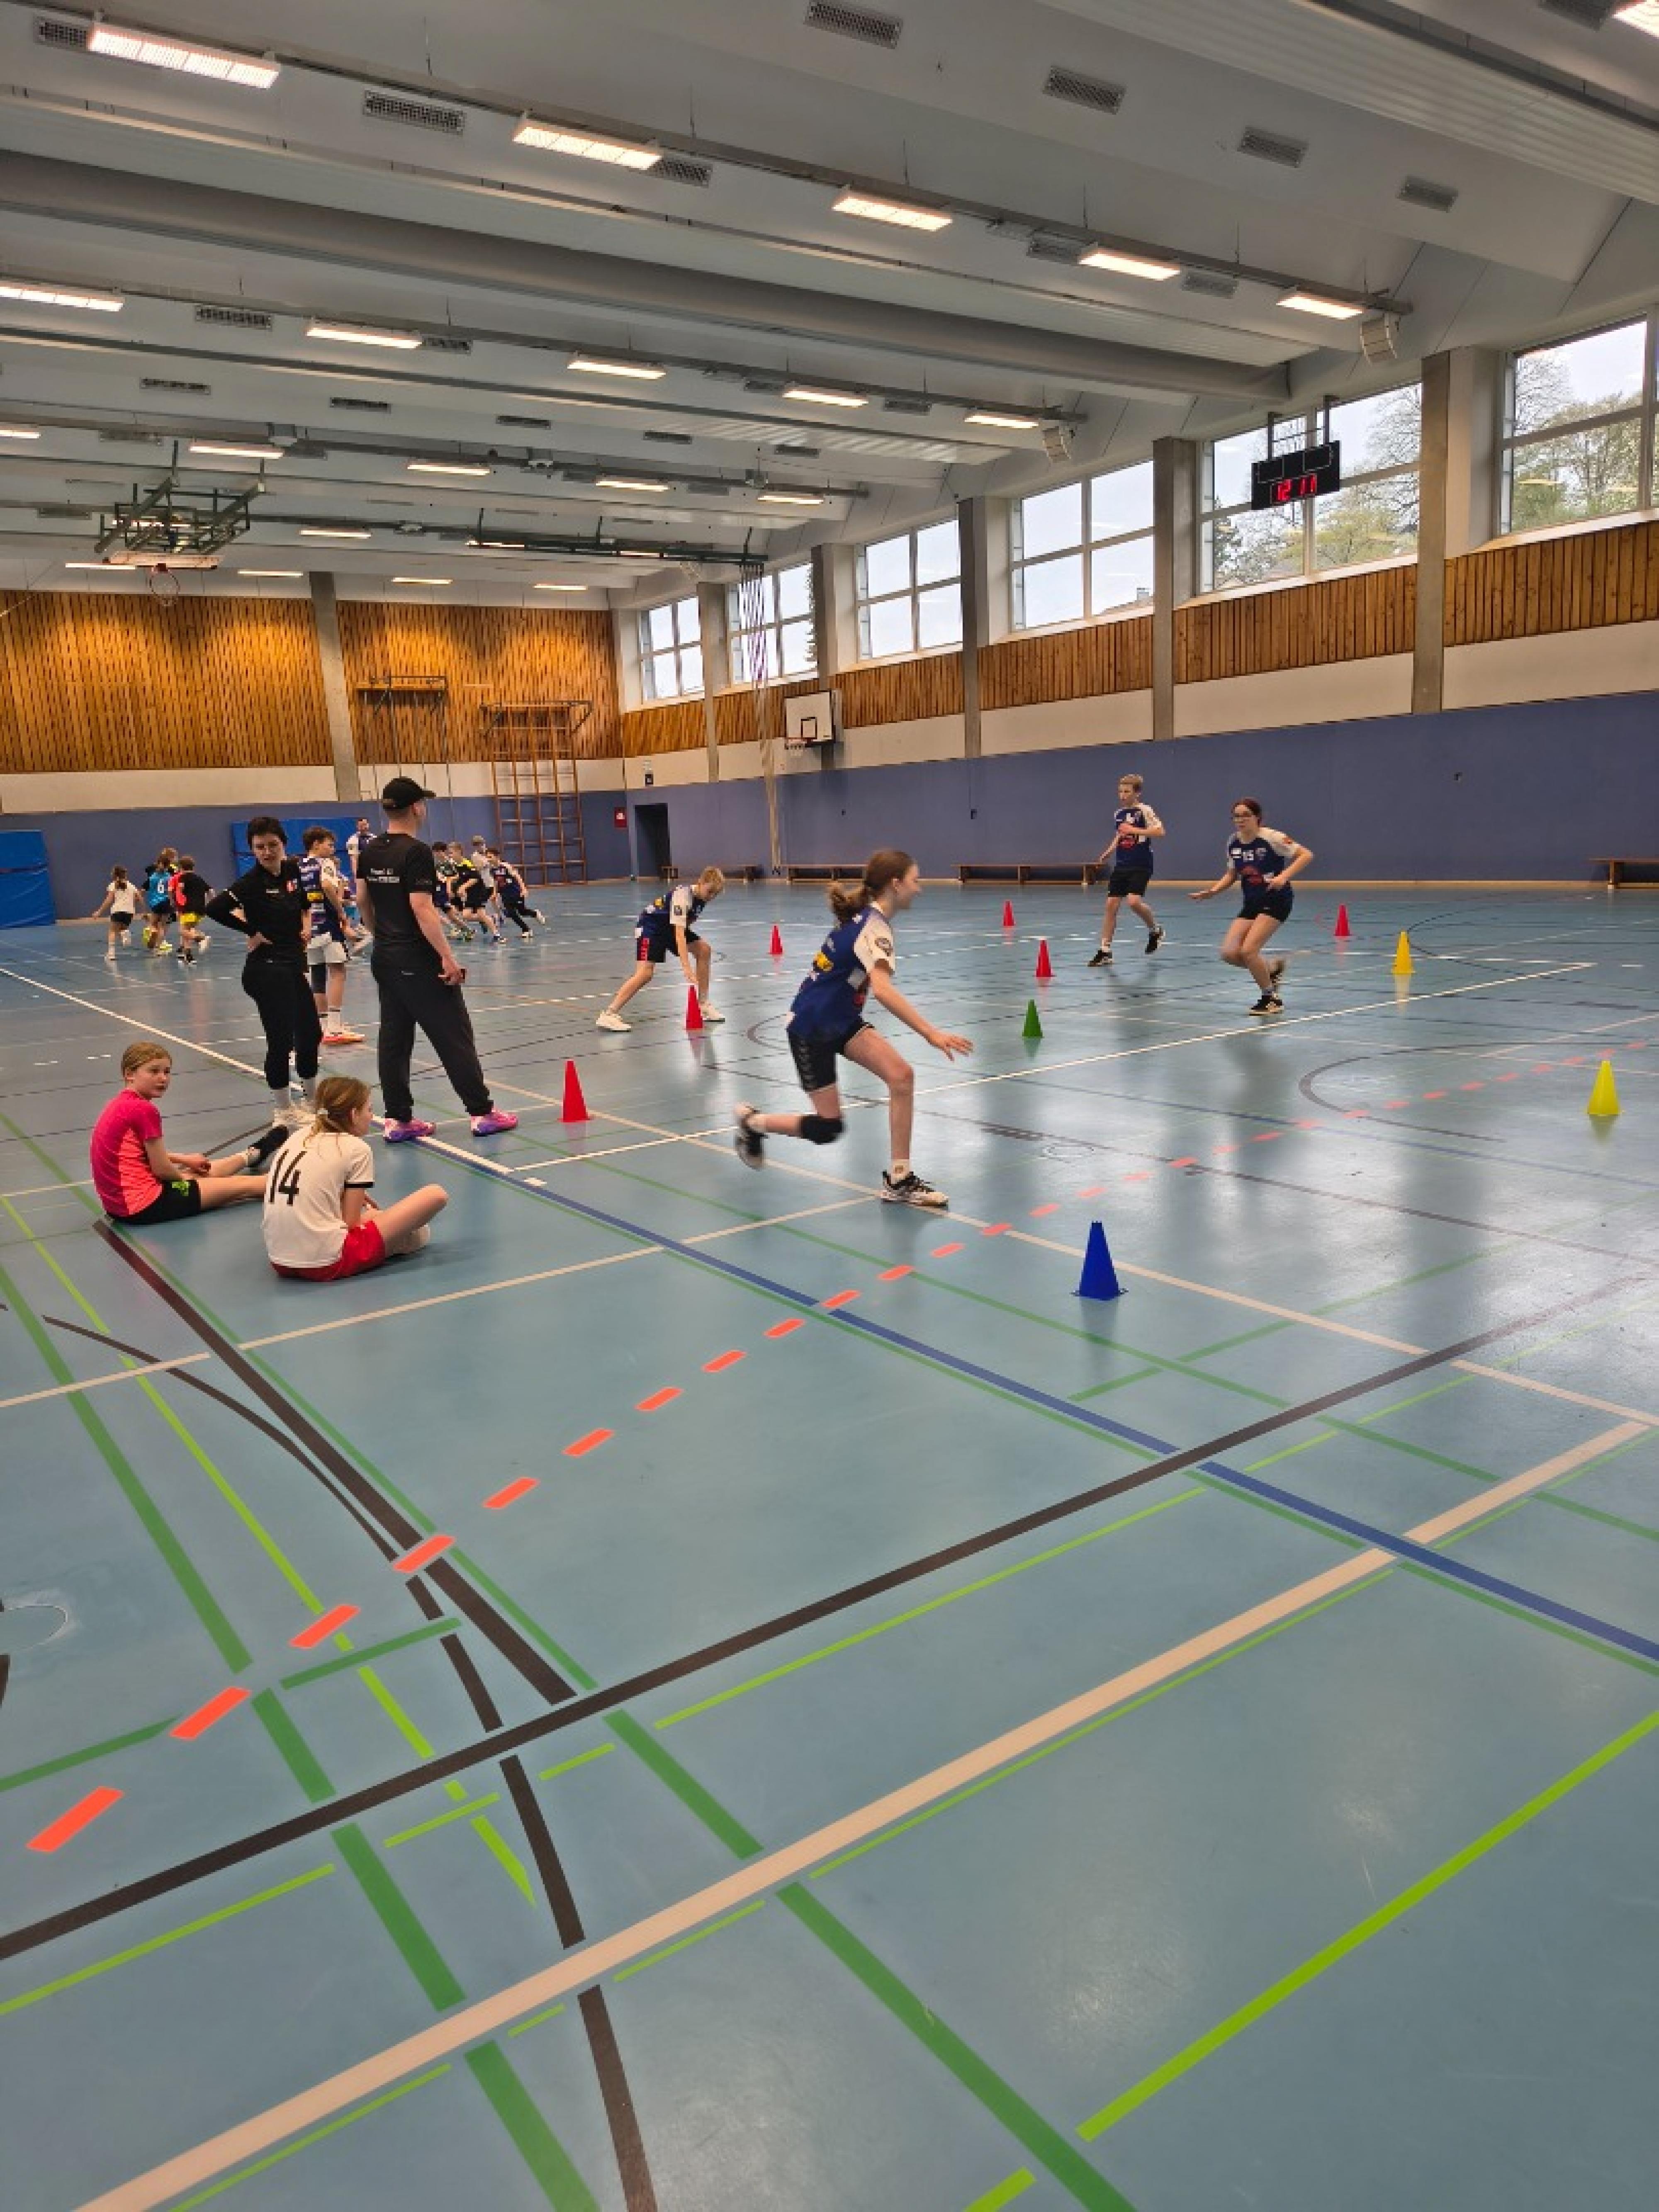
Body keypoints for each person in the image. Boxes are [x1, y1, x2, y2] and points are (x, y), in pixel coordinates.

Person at [733, 849, 971, 1208]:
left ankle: (900, 1180)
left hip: (842, 1020)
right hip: (812, 1027)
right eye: (915, 880)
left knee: (902, 1076)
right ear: (895, 884)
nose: (919, 888)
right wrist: (931, 1033)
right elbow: (884, 991)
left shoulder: (867, 919)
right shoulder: (874, 928)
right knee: (829, 1128)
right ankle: (754, 1123)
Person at [355, 776, 519, 1142]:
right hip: (417, 958)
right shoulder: (416, 852)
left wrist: (380, 936)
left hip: (385, 956)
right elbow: (422, 908)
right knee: (453, 1035)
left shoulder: (370, 851)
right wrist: (447, 957)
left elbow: (363, 899)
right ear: (416, 808)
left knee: (394, 1039)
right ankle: (482, 1112)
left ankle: (398, 1119)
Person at [262, 1075, 447, 1281]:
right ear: (354, 1114)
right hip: (327, 1262)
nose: (372, 1116)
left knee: (393, 1226)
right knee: (429, 1210)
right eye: (369, 1110)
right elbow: (352, 1224)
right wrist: (373, 1218)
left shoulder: (298, 1136)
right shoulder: (357, 1149)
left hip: (279, 1259)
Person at [205, 817, 322, 1126]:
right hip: (267, 970)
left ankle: (312, 1100)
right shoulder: (251, 883)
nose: (267, 852)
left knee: (311, 1034)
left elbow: (303, 904)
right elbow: (214, 909)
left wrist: (305, 926)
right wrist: (251, 931)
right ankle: (283, 1109)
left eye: (273, 845)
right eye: (260, 847)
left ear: (284, 844)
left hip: (292, 965)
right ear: (252, 850)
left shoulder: (293, 871)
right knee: (281, 1041)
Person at [90, 1039, 284, 1224]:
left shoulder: (118, 1104)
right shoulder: (143, 1110)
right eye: (154, 1071)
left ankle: (251, 1155)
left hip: (117, 1206)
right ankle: (295, 1179)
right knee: (244, 1185)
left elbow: (138, 1153)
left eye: (167, 1072)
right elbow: (162, 1170)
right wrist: (184, 1180)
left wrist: (184, 1160)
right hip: (145, 1206)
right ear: (130, 1074)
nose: (163, 1078)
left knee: (205, 1171)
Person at [1189, 797, 1314, 1017]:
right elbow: (1231, 875)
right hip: (1252, 902)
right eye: (1236, 816)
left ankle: (1271, 999)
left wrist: (1284, 877)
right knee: (1229, 954)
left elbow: (1306, 855)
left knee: (1248, 951)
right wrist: (1213, 891)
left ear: (1258, 818)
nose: (1240, 820)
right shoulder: (1233, 842)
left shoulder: (1273, 838)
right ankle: (1271, 970)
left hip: (1276, 900)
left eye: (1246, 815)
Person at [596, 867, 726, 1030]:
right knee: (645, 974)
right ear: (700, 883)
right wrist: (686, 968)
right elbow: (680, 935)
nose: (712, 897)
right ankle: (609, 1014)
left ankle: (703, 1005)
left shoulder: (702, 899)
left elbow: (684, 925)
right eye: (710, 892)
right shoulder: (683, 896)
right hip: (651, 927)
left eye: (716, 894)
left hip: (669, 928)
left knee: (704, 950)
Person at [1088, 773, 1166, 967]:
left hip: (1141, 864)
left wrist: (1135, 830)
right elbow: (1120, 835)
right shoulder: (1119, 814)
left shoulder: (1145, 811)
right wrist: (1109, 851)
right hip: (1122, 864)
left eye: (1127, 792)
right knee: (1111, 905)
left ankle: (1155, 931)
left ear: (1137, 793)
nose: (1122, 796)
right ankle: (1105, 950)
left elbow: (1160, 831)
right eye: (1120, 792)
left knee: (1133, 902)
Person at [298, 827, 364, 1046]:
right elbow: (327, 885)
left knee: (318, 976)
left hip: (311, 929)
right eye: (330, 844)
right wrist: (341, 911)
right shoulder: (325, 863)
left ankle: (324, 1026)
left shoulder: (300, 865)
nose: (332, 849)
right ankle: (335, 1028)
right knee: (338, 972)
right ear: (317, 844)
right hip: (327, 924)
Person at [457, 839, 502, 943]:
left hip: (483, 887)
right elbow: (473, 872)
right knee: (466, 916)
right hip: (475, 889)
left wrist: (463, 887)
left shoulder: (487, 855)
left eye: (451, 853)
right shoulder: (473, 857)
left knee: (484, 911)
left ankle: (497, 934)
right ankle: (491, 919)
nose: (479, 847)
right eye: (476, 846)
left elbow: (476, 876)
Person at [489, 847, 542, 937]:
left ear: (497, 857)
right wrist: (495, 893)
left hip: (515, 892)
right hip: (505, 894)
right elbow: (495, 882)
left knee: (522, 912)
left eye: (490, 857)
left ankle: (535, 914)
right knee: (511, 913)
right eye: (487, 857)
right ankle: (526, 930)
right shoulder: (492, 870)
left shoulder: (506, 866)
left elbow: (518, 877)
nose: (488, 859)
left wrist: (524, 889)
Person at [171, 855, 212, 965]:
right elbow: (211, 891)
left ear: (181, 867)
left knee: (182, 931)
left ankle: (201, 939)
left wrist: (176, 899)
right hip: (200, 910)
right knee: (188, 931)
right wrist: (211, 902)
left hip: (189, 908)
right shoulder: (199, 878)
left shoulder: (183, 878)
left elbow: (180, 889)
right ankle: (189, 957)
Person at [91, 866, 137, 963]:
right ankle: (125, 933)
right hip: (130, 912)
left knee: (112, 931)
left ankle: (111, 954)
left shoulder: (113, 885)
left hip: (117, 911)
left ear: (115, 875)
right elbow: (138, 898)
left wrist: (99, 912)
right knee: (122, 929)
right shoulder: (131, 886)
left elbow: (109, 900)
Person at [141, 848, 178, 955]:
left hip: (155, 903)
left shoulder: (153, 877)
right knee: (163, 926)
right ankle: (158, 948)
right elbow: (172, 890)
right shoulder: (170, 877)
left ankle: (152, 931)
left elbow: (146, 888)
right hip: (167, 902)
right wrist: (173, 901)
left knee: (153, 923)